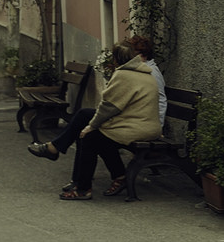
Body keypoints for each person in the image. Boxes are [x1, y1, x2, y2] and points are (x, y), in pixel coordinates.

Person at [27, 35, 166, 161]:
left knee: (89, 134)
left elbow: (112, 106)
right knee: (83, 115)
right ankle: (56, 150)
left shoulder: (143, 73)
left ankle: (91, 180)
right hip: (130, 120)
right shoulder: (138, 70)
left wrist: (157, 127)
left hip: (133, 124)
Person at [57, 41, 160, 200]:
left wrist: (91, 127)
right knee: (85, 115)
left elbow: (109, 107)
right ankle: (117, 176)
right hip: (144, 125)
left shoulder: (124, 75)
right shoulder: (145, 73)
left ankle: (83, 189)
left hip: (136, 128)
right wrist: (92, 124)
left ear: (116, 59)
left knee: (90, 138)